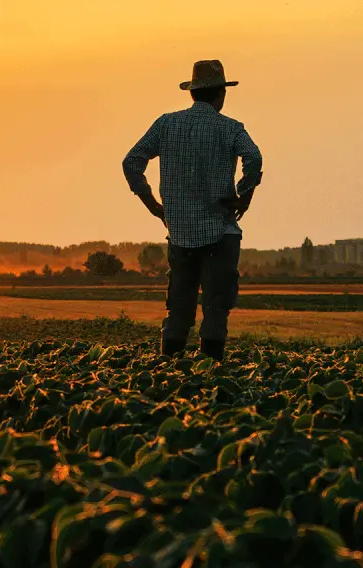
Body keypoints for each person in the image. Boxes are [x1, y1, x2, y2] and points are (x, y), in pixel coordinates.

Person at [122, 59, 263, 361]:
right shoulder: (230, 128)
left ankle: (169, 371)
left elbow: (131, 161)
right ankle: (210, 371)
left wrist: (152, 204)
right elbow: (254, 158)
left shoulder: (165, 124)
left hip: (180, 232)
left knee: (179, 306)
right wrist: (244, 196)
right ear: (220, 95)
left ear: (192, 93)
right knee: (216, 306)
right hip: (220, 232)